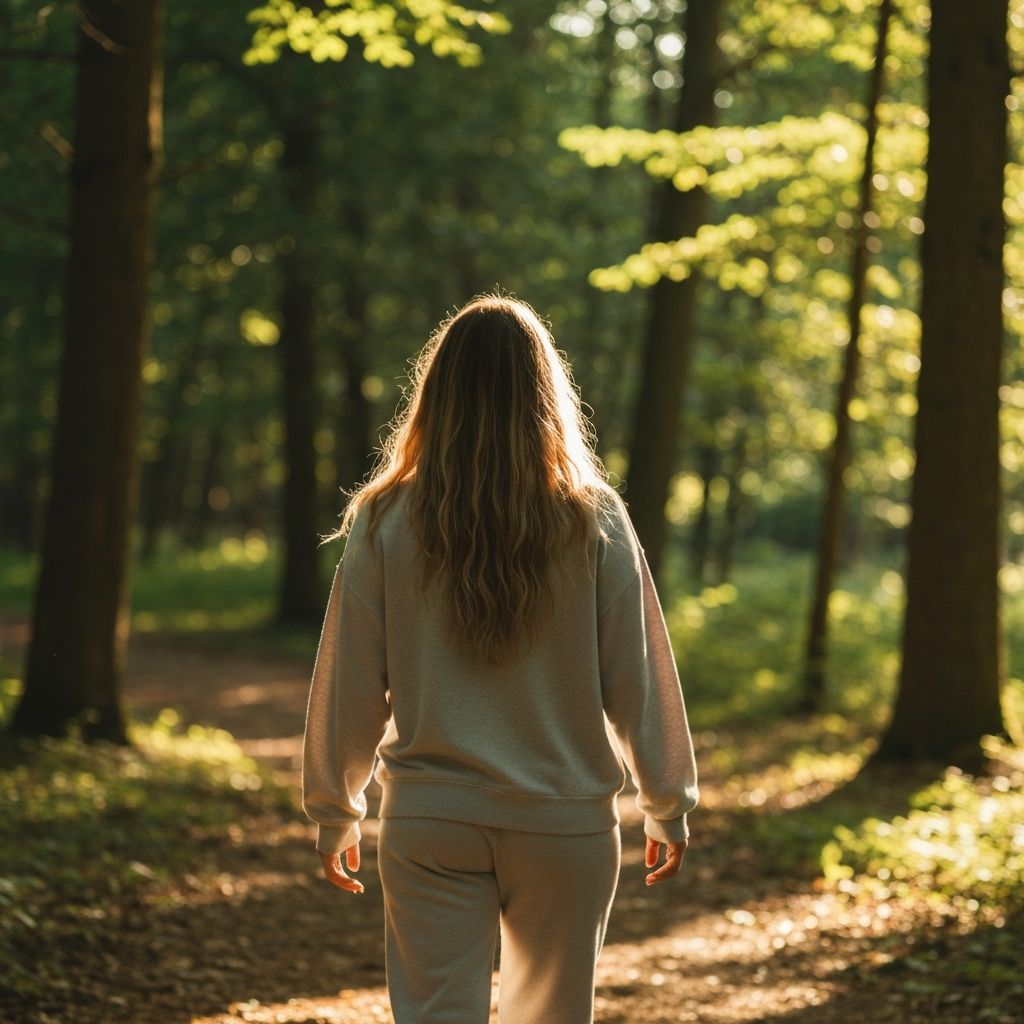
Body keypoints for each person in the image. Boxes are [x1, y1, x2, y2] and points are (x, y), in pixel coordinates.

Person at [301, 294, 700, 1024]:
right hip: (565, 823)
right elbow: (636, 675)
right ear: (546, 394)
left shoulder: (386, 519)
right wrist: (667, 802)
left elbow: (350, 678)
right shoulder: (594, 517)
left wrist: (335, 810)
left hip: (432, 819)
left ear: (437, 394)